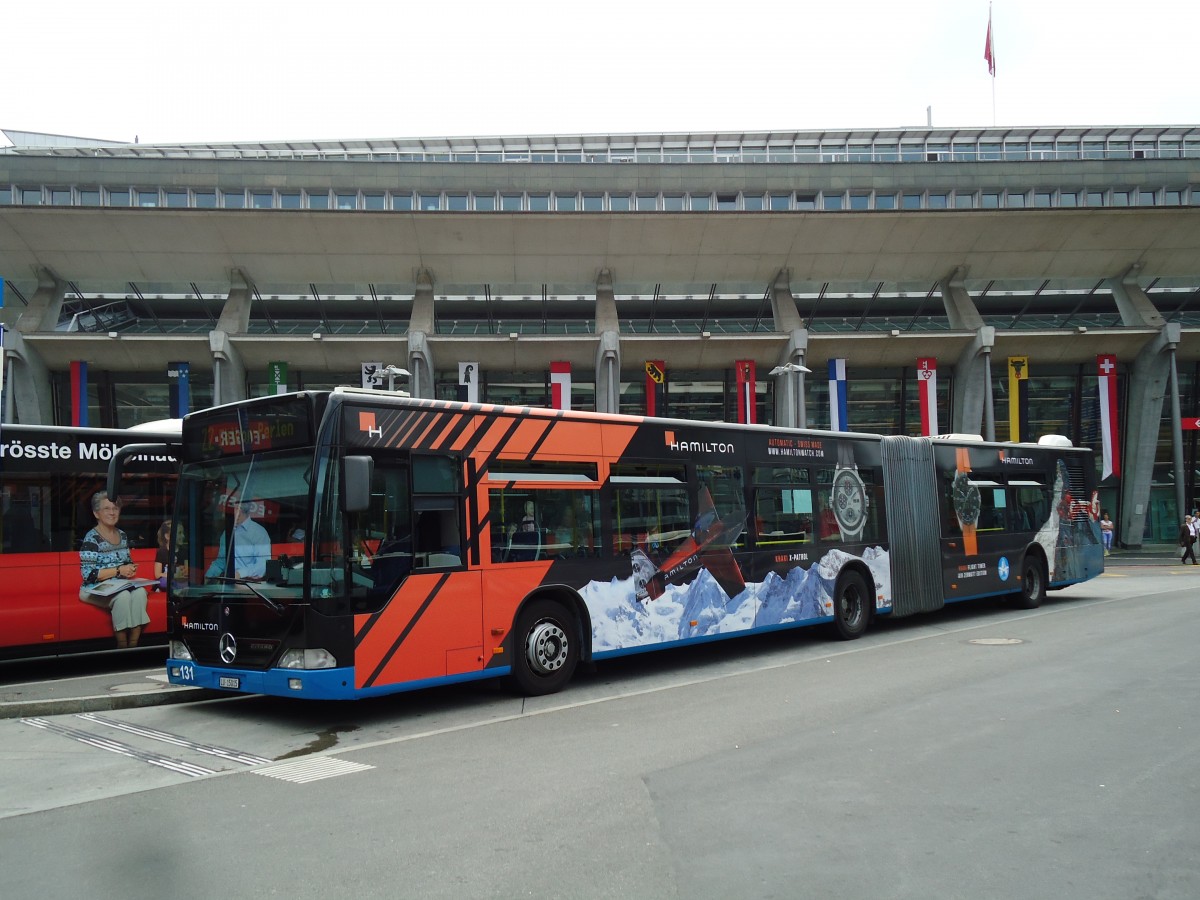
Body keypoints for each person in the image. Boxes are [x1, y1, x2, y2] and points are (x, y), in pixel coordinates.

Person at [79, 491, 150, 648]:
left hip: (119, 585)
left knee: (139, 593)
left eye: (115, 508)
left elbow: (127, 562)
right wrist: (119, 571)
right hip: (93, 589)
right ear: (96, 513)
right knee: (123, 596)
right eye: (106, 509)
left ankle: (133, 645)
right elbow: (88, 575)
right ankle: (122, 647)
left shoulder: (123, 536)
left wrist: (130, 569)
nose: (112, 512)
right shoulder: (91, 538)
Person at [205, 498, 271, 580]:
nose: (226, 514)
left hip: (250, 585)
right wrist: (207, 577)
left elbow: (263, 565)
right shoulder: (227, 533)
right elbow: (221, 563)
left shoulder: (258, 532)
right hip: (227, 584)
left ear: (239, 510)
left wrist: (240, 573)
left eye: (231, 510)